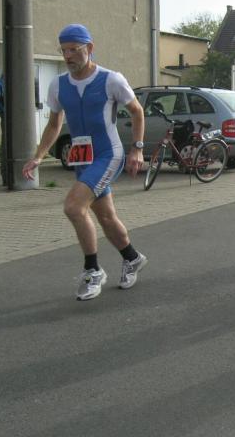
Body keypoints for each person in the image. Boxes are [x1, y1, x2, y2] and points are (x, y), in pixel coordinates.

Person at [22, 24, 148, 301]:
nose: (68, 56)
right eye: (63, 50)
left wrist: (137, 149)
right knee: (106, 217)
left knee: (73, 207)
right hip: (83, 159)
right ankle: (132, 258)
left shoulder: (111, 80)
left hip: (108, 154)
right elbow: (54, 125)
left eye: (73, 50)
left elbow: (137, 111)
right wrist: (39, 156)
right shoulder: (58, 84)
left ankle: (93, 271)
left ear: (89, 48)